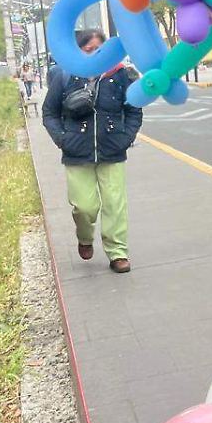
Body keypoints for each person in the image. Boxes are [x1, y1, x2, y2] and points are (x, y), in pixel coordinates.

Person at [43, 30, 143, 274]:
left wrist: (126, 137)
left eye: (99, 49)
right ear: (78, 51)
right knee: (84, 207)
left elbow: (134, 110)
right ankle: (85, 237)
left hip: (112, 150)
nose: (94, 54)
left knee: (115, 205)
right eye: (88, 49)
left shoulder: (121, 74)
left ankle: (117, 252)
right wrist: (62, 139)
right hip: (76, 152)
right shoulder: (65, 75)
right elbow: (49, 113)